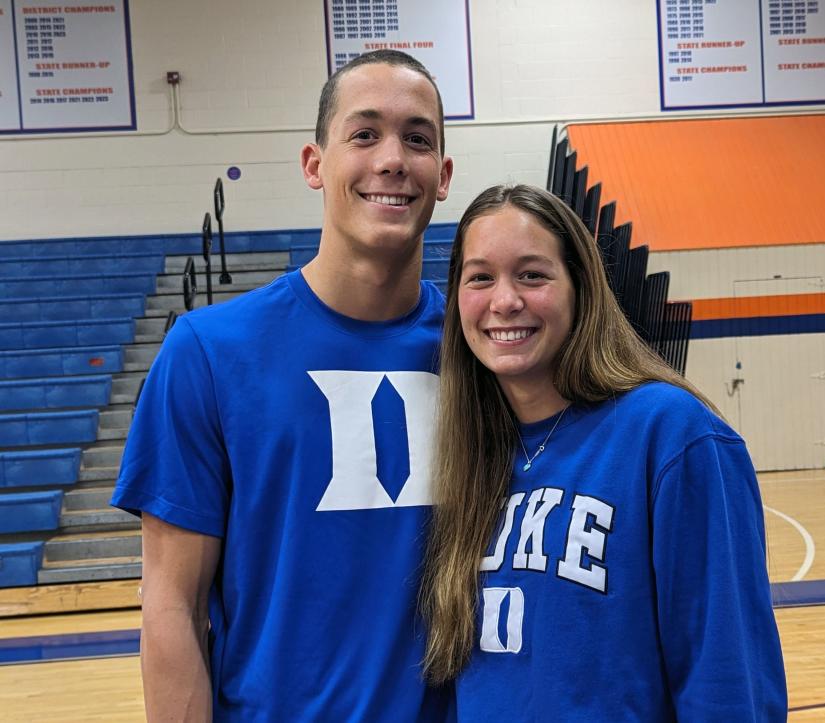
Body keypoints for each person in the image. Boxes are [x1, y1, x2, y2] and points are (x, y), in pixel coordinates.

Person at [112, 49, 454, 721]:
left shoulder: (479, 355)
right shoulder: (209, 354)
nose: (392, 158)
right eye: (364, 134)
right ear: (313, 164)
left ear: (441, 176)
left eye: (417, 138)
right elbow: (171, 605)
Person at [420, 184, 787, 721]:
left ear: (580, 288)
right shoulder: (469, 455)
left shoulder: (670, 435)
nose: (504, 301)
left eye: (532, 274)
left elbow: (728, 677)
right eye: (480, 278)